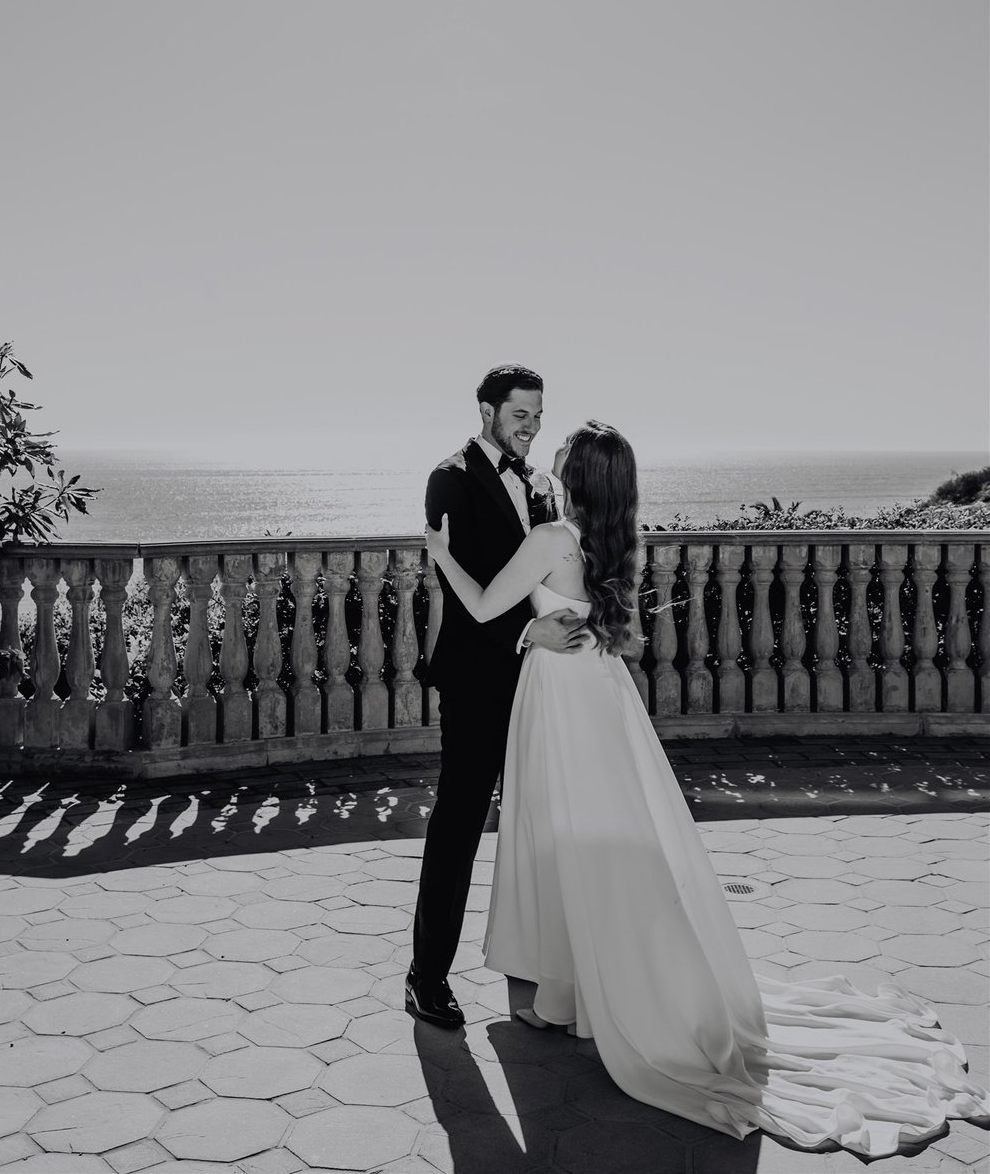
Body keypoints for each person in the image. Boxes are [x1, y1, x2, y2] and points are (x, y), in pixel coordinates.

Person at [425, 419, 989, 1158]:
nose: (551, 450)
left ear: (580, 474)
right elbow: (600, 622)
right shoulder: (614, 539)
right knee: (611, 836)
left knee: (566, 837)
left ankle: (582, 990)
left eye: (563, 450)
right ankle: (577, 988)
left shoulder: (552, 538)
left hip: (559, 700)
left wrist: (443, 555)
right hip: (600, 692)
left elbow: (482, 608)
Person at [406, 364, 590, 1030]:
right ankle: (426, 977)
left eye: (539, 416)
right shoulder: (447, 479)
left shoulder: (544, 487)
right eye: (521, 416)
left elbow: (542, 573)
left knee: (537, 827)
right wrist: (528, 633)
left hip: (543, 687)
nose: (533, 428)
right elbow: (461, 590)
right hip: (478, 682)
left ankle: (535, 976)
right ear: (487, 412)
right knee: (457, 824)